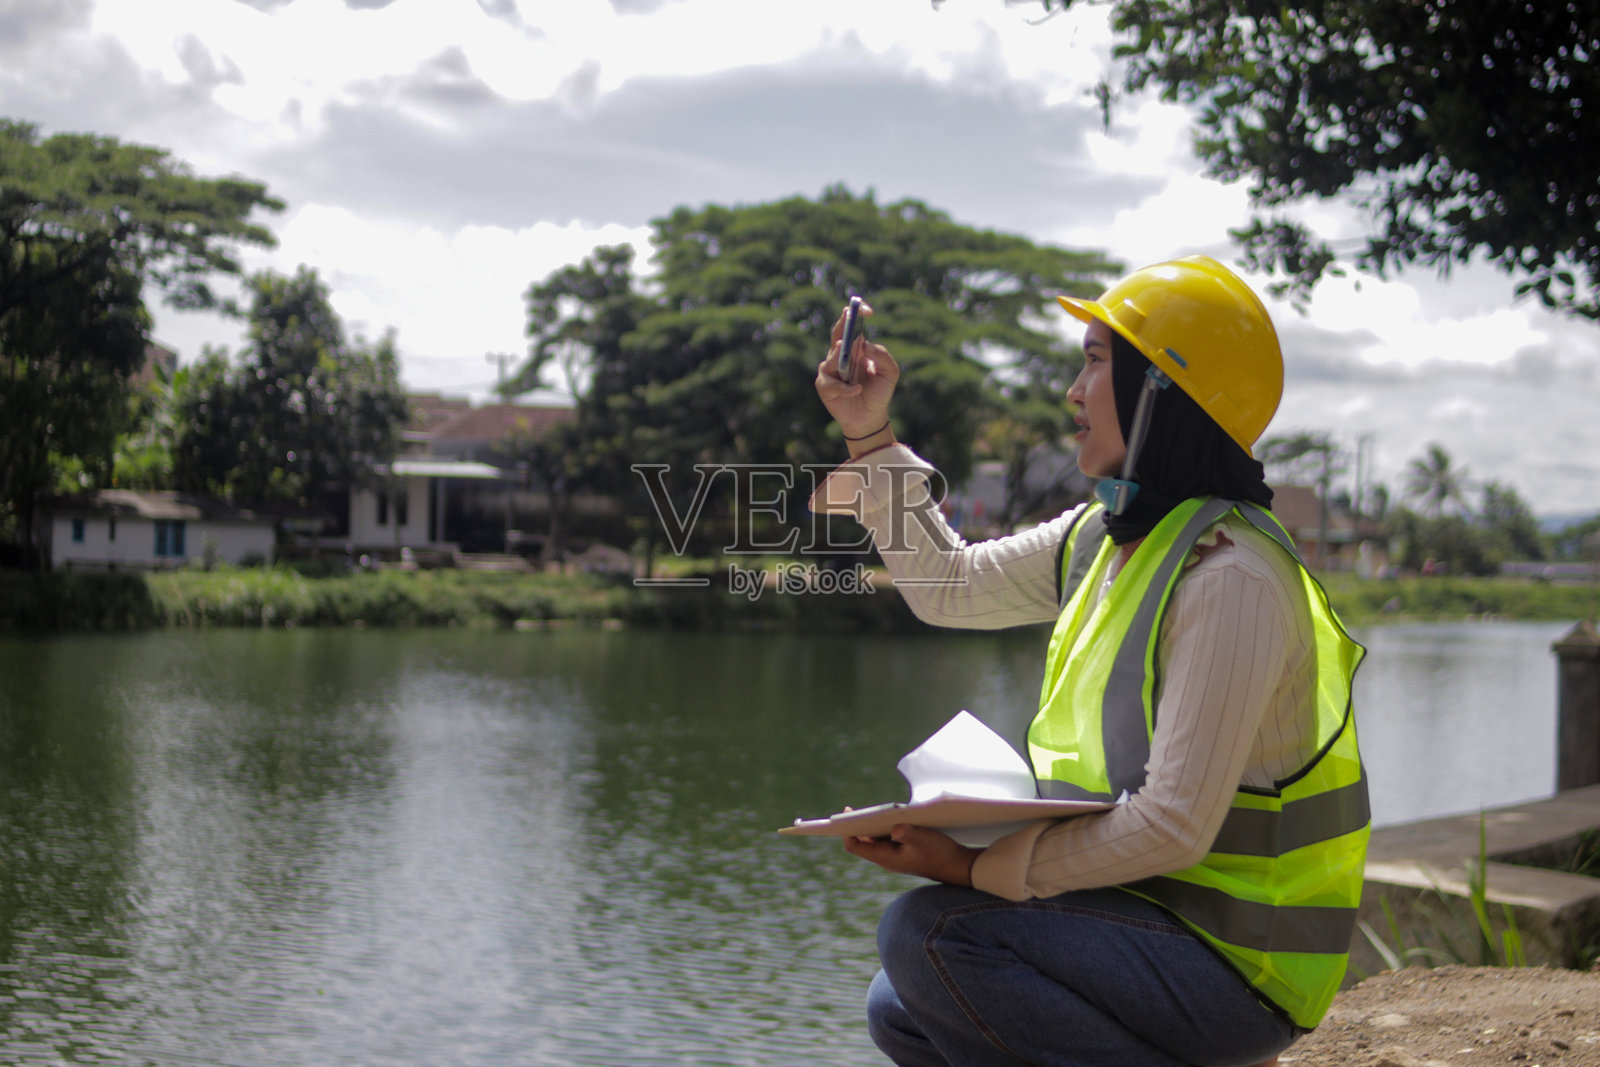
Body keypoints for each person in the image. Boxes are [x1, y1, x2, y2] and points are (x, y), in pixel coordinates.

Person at [808, 256, 1368, 1067]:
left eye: (1097, 363)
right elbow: (950, 586)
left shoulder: (1232, 576)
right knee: (900, 1005)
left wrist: (971, 867)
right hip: (1132, 918)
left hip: (1239, 967)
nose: (1072, 391)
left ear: (1160, 392)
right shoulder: (1100, 540)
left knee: (926, 934)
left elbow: (1173, 825)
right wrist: (869, 430)